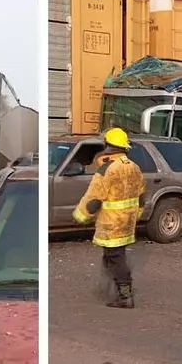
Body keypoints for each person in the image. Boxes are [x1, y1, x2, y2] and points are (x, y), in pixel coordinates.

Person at [72, 127, 146, 309]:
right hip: (127, 222)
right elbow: (141, 194)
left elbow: (94, 198)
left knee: (115, 257)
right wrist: (137, 214)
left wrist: (79, 216)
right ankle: (112, 287)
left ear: (108, 146)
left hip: (112, 223)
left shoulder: (107, 169)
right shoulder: (134, 167)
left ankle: (125, 296)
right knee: (113, 256)